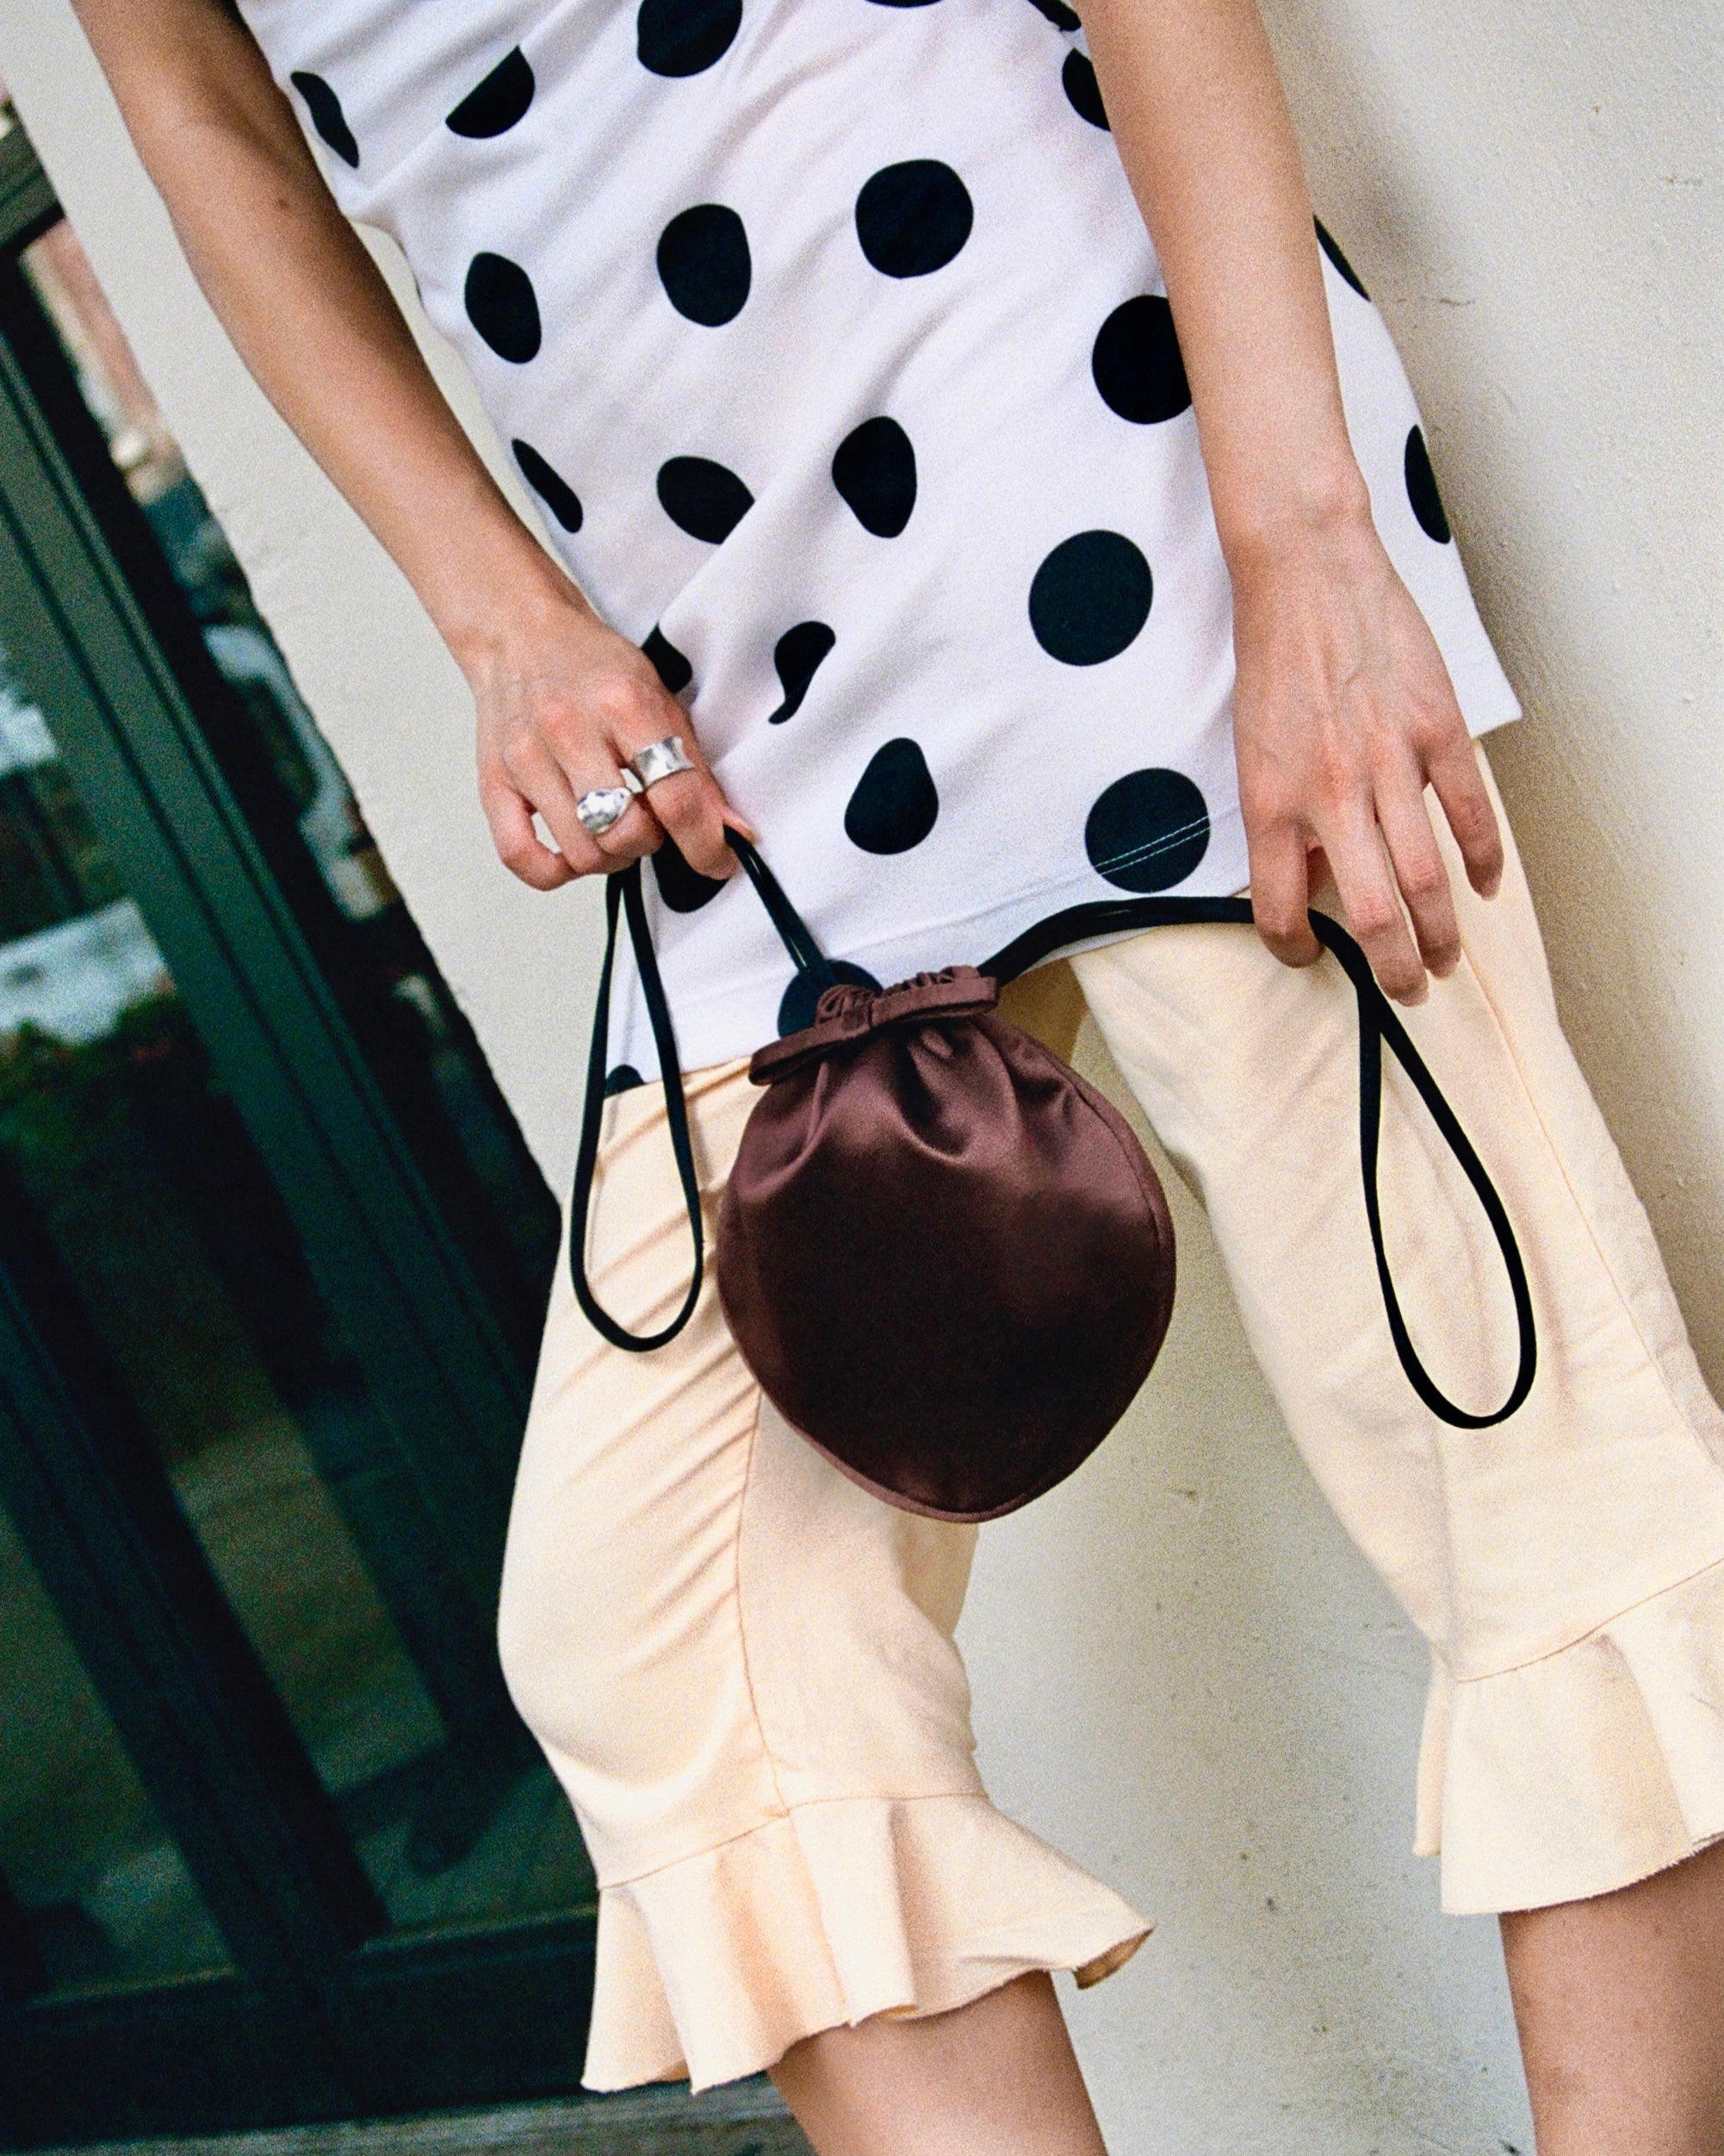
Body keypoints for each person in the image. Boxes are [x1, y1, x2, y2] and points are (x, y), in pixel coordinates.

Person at [74, 0, 1724, 2148]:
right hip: (700, 671)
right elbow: (202, 115)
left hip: (1097, 448)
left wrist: (1301, 533)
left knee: (1500, 1434)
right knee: (669, 1654)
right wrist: (494, 616)